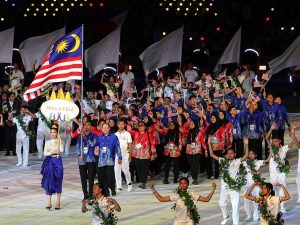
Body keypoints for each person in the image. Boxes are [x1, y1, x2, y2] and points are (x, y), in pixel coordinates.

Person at [208, 136, 249, 225]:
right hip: (224, 187)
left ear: (234, 154)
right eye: (228, 153)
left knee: (235, 207)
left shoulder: (237, 161)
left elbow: (246, 155)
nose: (230, 154)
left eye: (231, 153)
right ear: (226, 155)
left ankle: (236, 223)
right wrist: (209, 143)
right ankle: (226, 216)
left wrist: (246, 144)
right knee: (222, 204)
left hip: (234, 187)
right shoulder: (223, 161)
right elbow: (211, 154)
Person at [150, 177, 216, 225]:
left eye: (185, 183)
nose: (183, 185)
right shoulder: (176, 195)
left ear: (188, 184)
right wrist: (153, 190)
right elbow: (161, 199)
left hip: (189, 221)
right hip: (178, 221)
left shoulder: (191, 194)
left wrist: (213, 189)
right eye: (181, 183)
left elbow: (206, 199)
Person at [265, 123, 298, 213]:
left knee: (282, 188)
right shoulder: (271, 148)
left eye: (276, 141)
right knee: (274, 189)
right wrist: (271, 129)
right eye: (273, 141)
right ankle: (275, 206)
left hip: (282, 172)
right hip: (273, 173)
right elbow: (267, 138)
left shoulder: (284, 148)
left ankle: (282, 207)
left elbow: (293, 142)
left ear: (279, 141)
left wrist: (293, 133)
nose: (274, 142)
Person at [243, 147, 271, 222]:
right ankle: (249, 215)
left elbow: (267, 160)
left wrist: (271, 151)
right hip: (247, 185)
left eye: (252, 154)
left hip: (255, 185)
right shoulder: (245, 162)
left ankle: (255, 216)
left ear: (255, 155)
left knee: (256, 200)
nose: (250, 155)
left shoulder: (258, 162)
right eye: (249, 154)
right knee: (246, 201)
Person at [40, 125, 64, 210]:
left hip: (57, 161)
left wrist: (59, 142)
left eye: (54, 132)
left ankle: (58, 202)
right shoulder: (47, 142)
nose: (52, 134)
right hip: (49, 161)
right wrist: (53, 151)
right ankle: (49, 202)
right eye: (51, 132)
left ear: (57, 133)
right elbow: (45, 153)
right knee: (48, 180)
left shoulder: (60, 140)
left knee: (58, 180)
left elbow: (61, 150)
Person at [95, 123, 122, 197]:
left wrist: (120, 157)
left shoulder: (114, 137)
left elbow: (118, 147)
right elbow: (94, 144)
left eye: (107, 127)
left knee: (110, 176)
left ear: (109, 128)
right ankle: (105, 191)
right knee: (102, 177)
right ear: (101, 129)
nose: (105, 129)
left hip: (110, 160)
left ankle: (113, 189)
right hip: (101, 160)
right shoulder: (99, 137)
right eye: (103, 128)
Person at [130, 121, 156, 189]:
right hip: (136, 154)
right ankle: (142, 181)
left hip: (145, 154)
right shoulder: (136, 134)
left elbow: (153, 144)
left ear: (145, 127)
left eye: (142, 126)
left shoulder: (149, 134)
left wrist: (153, 154)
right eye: (139, 126)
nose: (141, 127)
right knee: (138, 168)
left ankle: (143, 182)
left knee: (145, 168)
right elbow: (130, 131)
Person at [77, 120, 98, 200]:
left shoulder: (94, 136)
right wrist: (79, 155)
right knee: (83, 178)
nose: (86, 126)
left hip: (91, 159)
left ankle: (91, 194)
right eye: (85, 125)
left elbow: (92, 144)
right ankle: (85, 194)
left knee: (90, 178)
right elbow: (78, 147)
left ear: (91, 127)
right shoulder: (80, 137)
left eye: (88, 125)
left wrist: (85, 137)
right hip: (82, 160)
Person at [114, 119, 133, 193]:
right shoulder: (115, 134)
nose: (121, 125)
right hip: (117, 156)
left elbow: (130, 145)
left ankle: (129, 183)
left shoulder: (127, 134)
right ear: (117, 125)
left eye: (122, 124)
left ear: (125, 125)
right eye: (119, 124)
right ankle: (119, 187)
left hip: (125, 154)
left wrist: (130, 155)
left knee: (126, 171)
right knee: (117, 171)